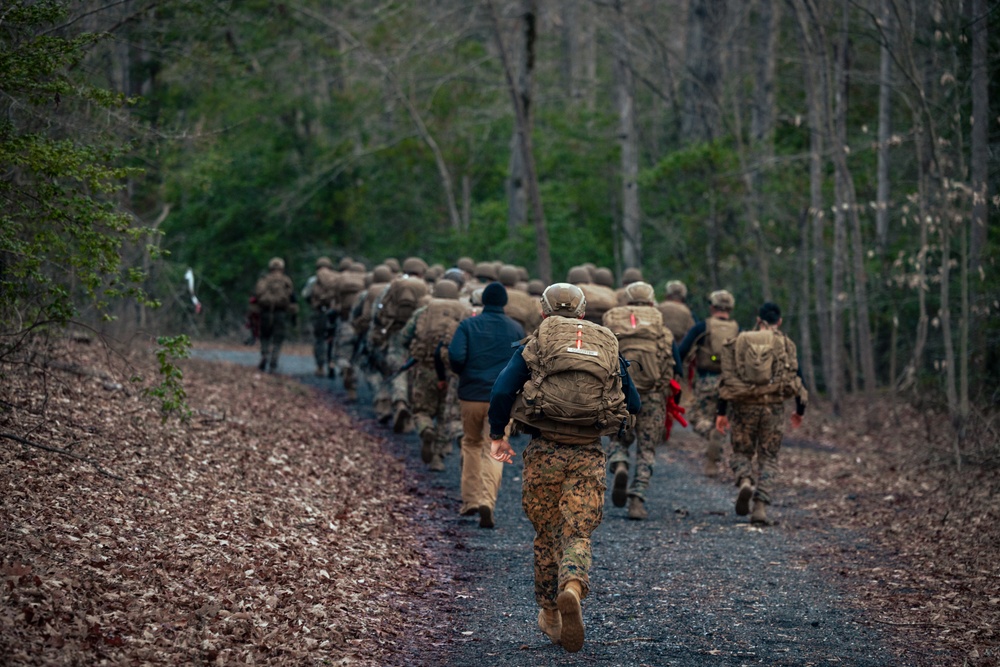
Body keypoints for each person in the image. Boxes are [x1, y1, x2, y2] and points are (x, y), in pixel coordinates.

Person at [488, 283, 641, 653]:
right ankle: (572, 586)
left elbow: (501, 391)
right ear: (584, 314)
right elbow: (633, 403)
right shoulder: (606, 342)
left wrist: (498, 435)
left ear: (543, 312)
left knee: (545, 533)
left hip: (544, 451)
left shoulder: (538, 339)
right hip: (587, 452)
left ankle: (551, 613)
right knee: (578, 531)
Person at [715, 302, 807, 526]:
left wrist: (721, 412)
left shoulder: (739, 341)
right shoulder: (785, 344)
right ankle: (760, 507)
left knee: (741, 452)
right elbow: (797, 377)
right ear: (780, 321)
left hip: (743, 406)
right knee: (769, 458)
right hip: (773, 407)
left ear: (758, 319)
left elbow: (727, 377)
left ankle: (745, 480)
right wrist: (800, 409)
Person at [603, 281, 682, 520]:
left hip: (621, 394)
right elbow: (674, 363)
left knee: (619, 438)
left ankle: (620, 463)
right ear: (650, 301)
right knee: (647, 449)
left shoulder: (612, 321)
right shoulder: (660, 327)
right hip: (653, 395)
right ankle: (637, 500)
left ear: (627, 300)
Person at [448, 282, 524, 528]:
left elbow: (456, 356)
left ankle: (469, 500)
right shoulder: (515, 329)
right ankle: (487, 501)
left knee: (470, 444)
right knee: (495, 447)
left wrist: (465, 373)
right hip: (501, 399)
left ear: (483, 302)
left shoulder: (468, 325)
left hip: (470, 395)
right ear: (504, 302)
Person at [400, 278, 470, 471]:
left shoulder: (425, 310)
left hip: (425, 367)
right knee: (444, 414)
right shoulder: (463, 311)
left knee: (421, 409)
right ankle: (438, 457)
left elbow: (405, 336)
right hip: (451, 370)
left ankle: (425, 429)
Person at [677, 289, 739, 476]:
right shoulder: (738, 329)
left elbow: (682, 351)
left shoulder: (702, 327)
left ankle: (709, 433)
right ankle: (712, 461)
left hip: (706, 381)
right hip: (730, 383)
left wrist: (679, 372)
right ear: (730, 308)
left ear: (712, 307)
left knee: (697, 417)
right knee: (722, 421)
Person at [253, 257, 297, 373]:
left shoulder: (264, 280)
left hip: (265, 312)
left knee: (265, 336)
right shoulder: (286, 281)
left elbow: (256, 296)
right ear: (282, 268)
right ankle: (273, 363)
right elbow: (292, 297)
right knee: (278, 339)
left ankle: (265, 354)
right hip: (280, 313)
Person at [301, 257, 339, 377]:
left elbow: (305, 295)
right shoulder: (337, 278)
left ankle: (320, 367)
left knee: (319, 339)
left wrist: (314, 304)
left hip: (319, 313)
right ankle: (332, 363)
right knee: (333, 338)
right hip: (334, 312)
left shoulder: (313, 280)